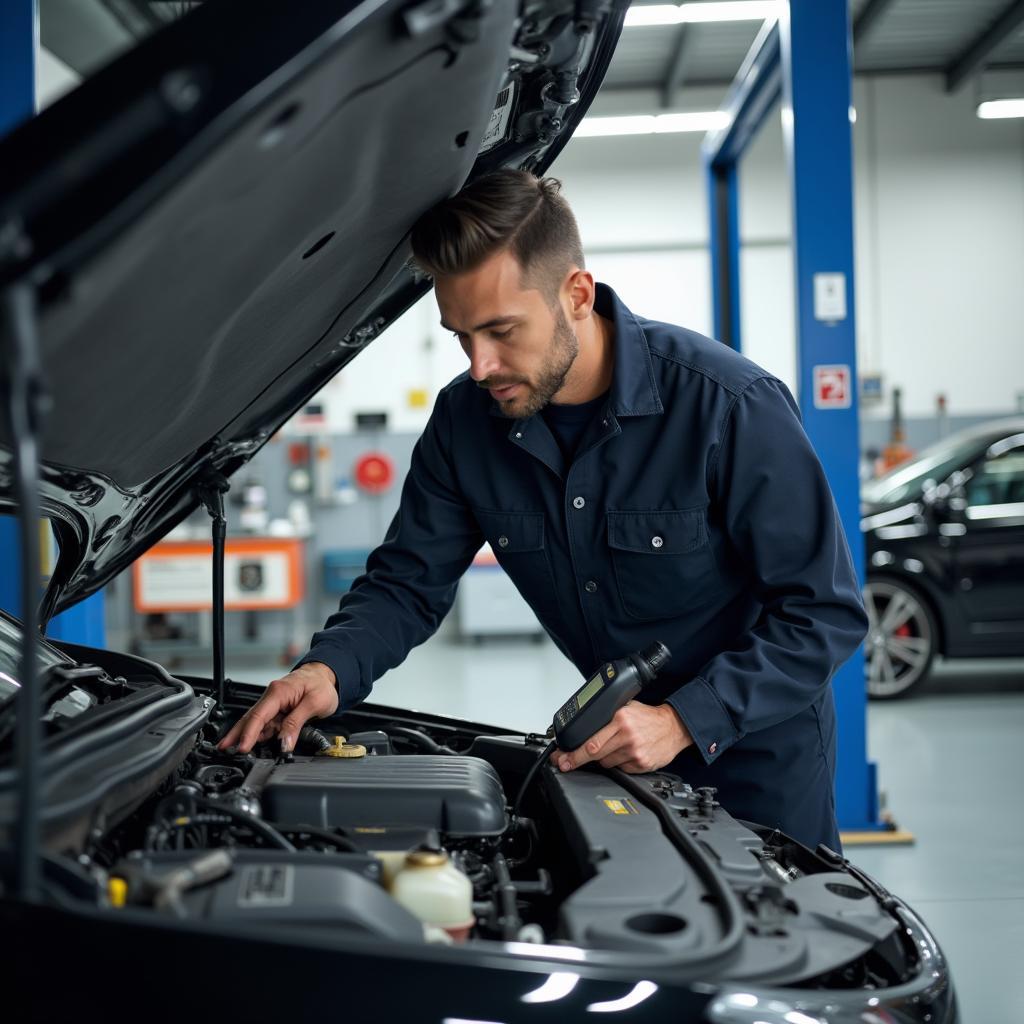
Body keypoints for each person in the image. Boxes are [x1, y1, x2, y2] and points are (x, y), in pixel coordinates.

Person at [219, 170, 867, 853]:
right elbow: (408, 583)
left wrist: (681, 720)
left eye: (501, 330)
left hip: (758, 759)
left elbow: (824, 610)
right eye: (461, 336)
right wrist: (327, 670)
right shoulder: (464, 423)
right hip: (609, 757)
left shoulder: (728, 406)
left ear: (576, 295)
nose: (479, 365)